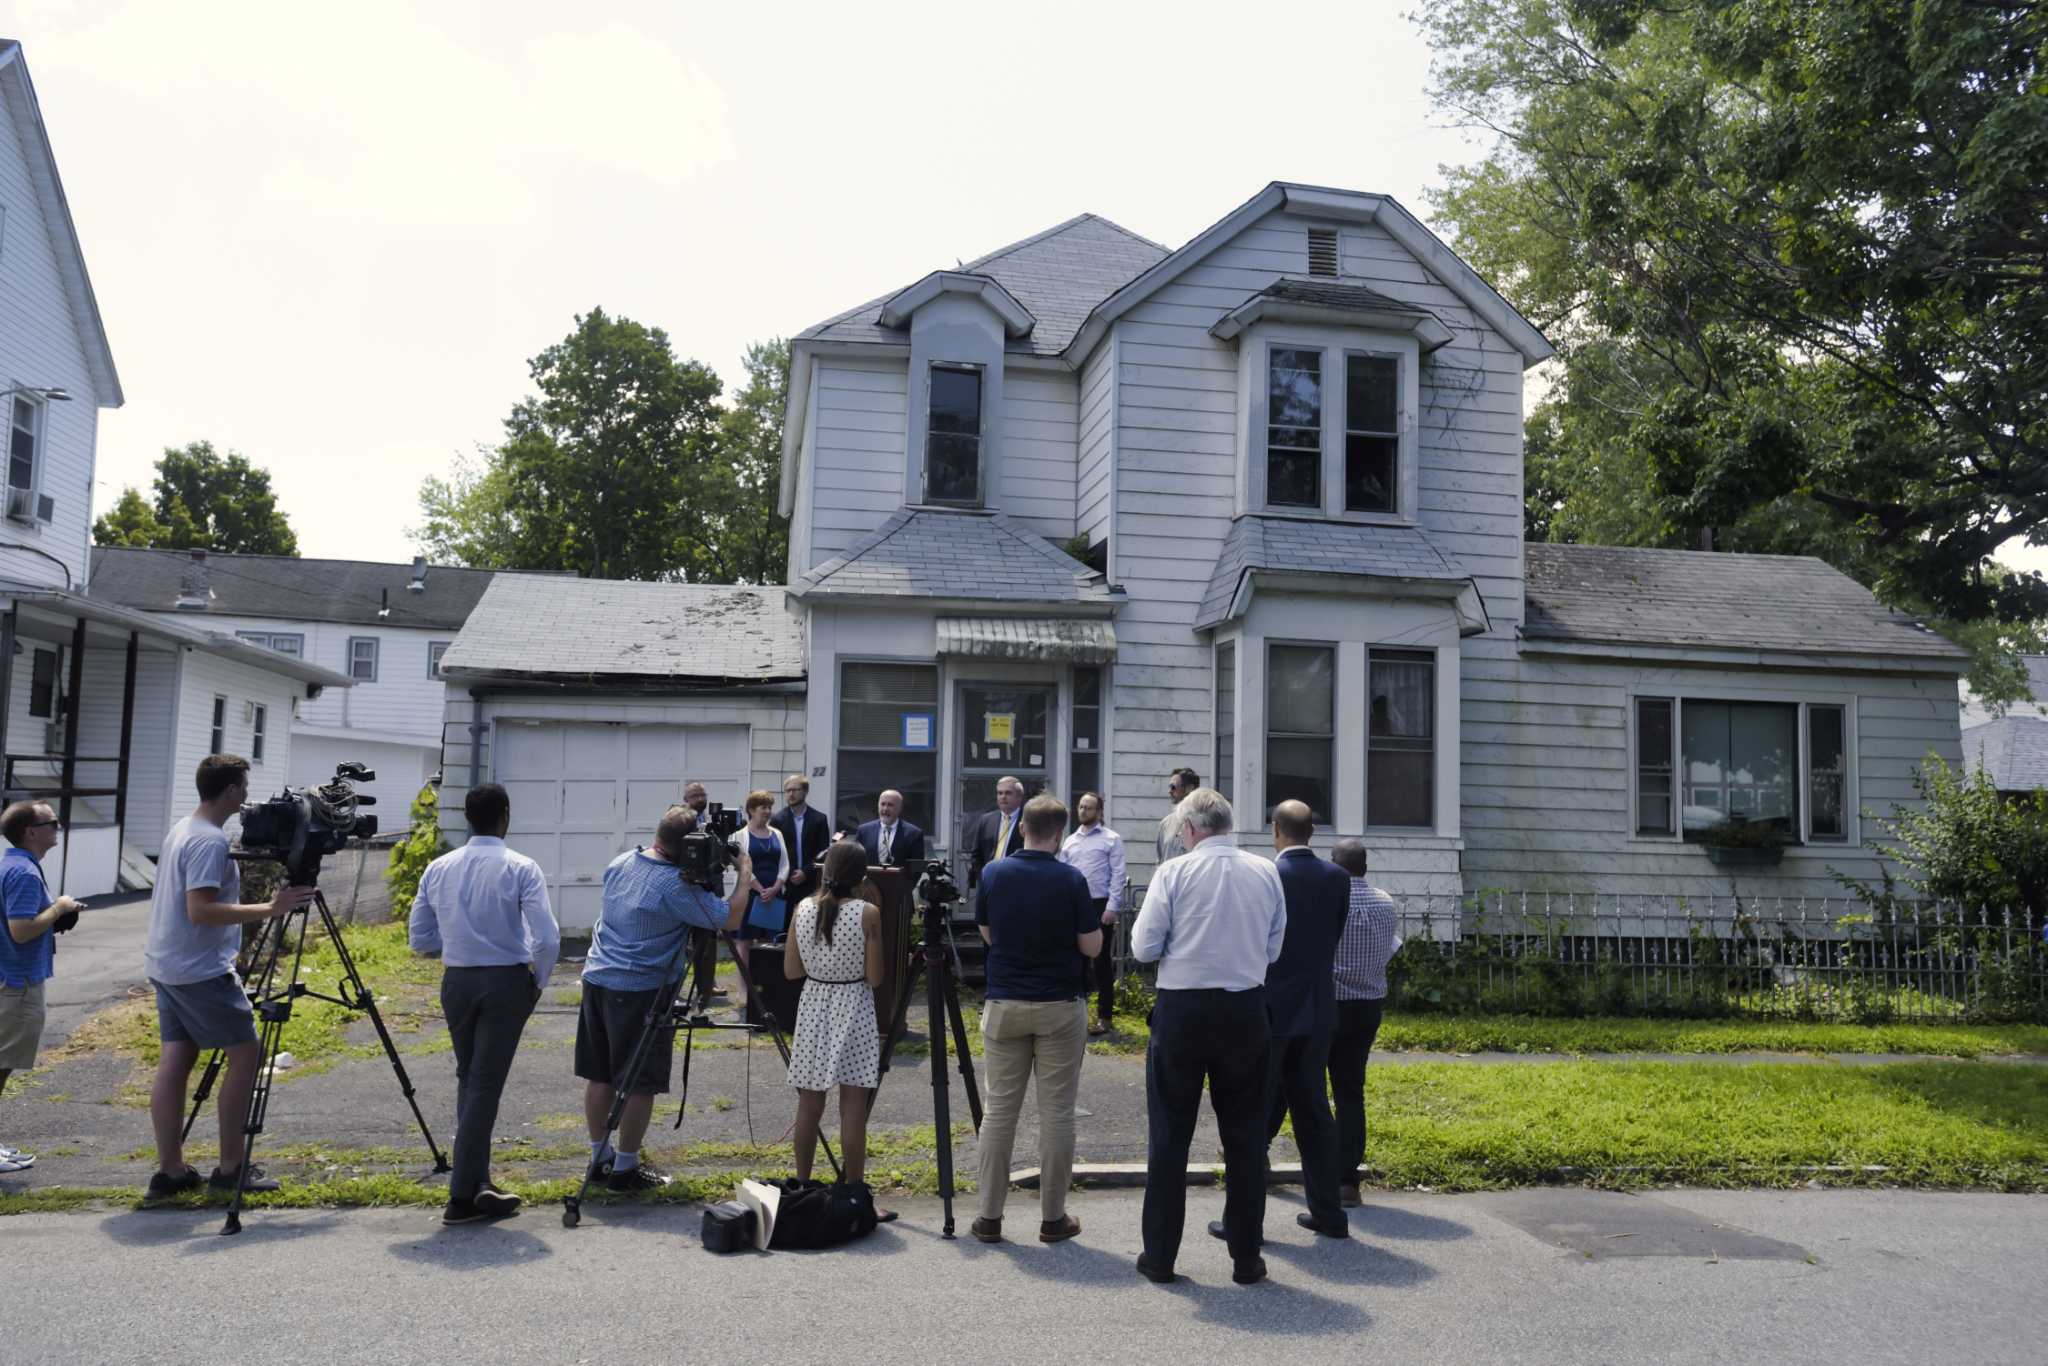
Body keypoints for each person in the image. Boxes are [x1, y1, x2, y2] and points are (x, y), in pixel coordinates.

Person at [143, 754, 316, 1205]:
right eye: (244, 786)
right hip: (199, 969)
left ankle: (171, 1171)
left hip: (168, 964)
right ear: (232, 790)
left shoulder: (184, 828)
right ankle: (231, 1168)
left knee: (177, 1061)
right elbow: (199, 910)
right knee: (246, 1054)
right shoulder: (209, 842)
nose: (247, 795)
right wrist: (271, 909)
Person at [1129, 788, 1284, 1286]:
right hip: (1244, 1007)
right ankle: (1246, 1256)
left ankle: (1160, 1256)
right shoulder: (1266, 871)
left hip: (1183, 1009)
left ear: (1189, 829)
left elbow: (1144, 946)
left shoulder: (1173, 872)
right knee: (1244, 1136)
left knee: (1169, 1136)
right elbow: (1274, 947)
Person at [577, 805, 751, 1193]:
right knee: (640, 1082)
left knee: (600, 1074)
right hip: (640, 990)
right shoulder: (675, 886)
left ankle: (599, 1158)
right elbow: (729, 918)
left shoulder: (622, 860)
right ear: (693, 847)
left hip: (598, 978)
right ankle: (625, 1169)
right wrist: (745, 873)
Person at [408, 783, 560, 1225]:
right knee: (485, 1084)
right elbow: (547, 937)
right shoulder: (520, 867)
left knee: (470, 1078)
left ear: (466, 816)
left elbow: (420, 938)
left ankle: (478, 1182)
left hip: (457, 979)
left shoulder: (438, 868)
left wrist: (458, 943)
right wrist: (538, 982)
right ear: (505, 815)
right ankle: (460, 1195)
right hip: (505, 979)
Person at [968, 794, 1100, 1244]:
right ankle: (1052, 1217)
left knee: (999, 1112)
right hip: (1060, 1004)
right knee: (1057, 1113)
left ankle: (989, 1216)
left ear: (1022, 827)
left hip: (1004, 1001)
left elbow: (986, 932)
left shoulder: (993, 873)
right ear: (1060, 834)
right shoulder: (1071, 879)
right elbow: (1092, 947)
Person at [1219, 800, 1349, 1245]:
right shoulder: (1337, 877)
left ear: (1276, 829)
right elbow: (1333, 934)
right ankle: (1329, 1213)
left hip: (1271, 1007)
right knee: (1314, 1111)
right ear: (1311, 831)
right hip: (1318, 1006)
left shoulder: (1267, 875)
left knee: (1254, 1114)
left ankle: (1244, 1223)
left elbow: (1259, 937)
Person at [782, 840, 888, 1206]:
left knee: (809, 1103)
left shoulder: (803, 907)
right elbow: (875, 978)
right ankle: (854, 1189)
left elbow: (791, 970)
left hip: (814, 1004)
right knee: (852, 1106)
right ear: (862, 874)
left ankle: (801, 1184)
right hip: (853, 1004)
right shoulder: (868, 912)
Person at [1, 801, 84, 1173]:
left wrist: (53, 918)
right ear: (29, 832)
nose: (58, 827)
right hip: (16, 984)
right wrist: (60, 907)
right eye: (52, 822)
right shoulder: (23, 873)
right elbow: (20, 931)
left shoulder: (13, 865)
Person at [1328, 838, 1396, 1209]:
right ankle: (1347, 1181)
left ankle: (1262, 1152)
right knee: (1350, 1091)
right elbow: (1389, 950)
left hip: (1330, 1004)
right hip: (1368, 1005)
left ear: (1334, 867)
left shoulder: (1329, 901)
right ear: (1364, 867)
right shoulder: (1386, 903)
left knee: (1301, 1084)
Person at [1058, 791, 1126, 1035]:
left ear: (1099, 812)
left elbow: (1118, 875)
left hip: (1099, 905)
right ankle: (1075, 1015)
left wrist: (1112, 907)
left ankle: (1105, 1017)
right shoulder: (1070, 840)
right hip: (1074, 905)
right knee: (1075, 960)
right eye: (1081, 807)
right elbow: (1063, 873)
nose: (1083, 811)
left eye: (1088, 807)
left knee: (1101, 962)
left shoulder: (1111, 839)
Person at [726, 791, 792, 1005]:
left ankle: (766, 988)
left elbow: (785, 863)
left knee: (767, 944)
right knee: (744, 942)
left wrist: (775, 887)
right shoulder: (739, 835)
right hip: (749, 894)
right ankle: (744, 989)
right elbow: (739, 864)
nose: (767, 811)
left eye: (769, 807)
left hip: (773, 895)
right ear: (751, 810)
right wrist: (758, 887)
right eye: (763, 807)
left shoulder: (777, 834)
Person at [681, 781, 725, 1013]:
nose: (700, 799)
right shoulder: (679, 820)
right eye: (694, 795)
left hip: (709, 889)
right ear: (685, 799)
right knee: (679, 942)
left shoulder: (712, 823)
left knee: (707, 944)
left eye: (702, 794)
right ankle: (673, 989)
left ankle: (706, 989)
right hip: (685, 890)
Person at [771, 775, 830, 907]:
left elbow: (823, 851)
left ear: (805, 791)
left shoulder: (819, 819)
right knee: (786, 925)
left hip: (812, 882)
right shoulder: (777, 820)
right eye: (788, 790)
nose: (791, 794)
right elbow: (777, 852)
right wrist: (791, 872)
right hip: (786, 883)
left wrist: (805, 872)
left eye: (795, 790)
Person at [967, 776, 1026, 886]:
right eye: (1000, 793)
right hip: (989, 882)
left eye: (1008, 793)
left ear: (1019, 797)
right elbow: (976, 854)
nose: (1003, 797)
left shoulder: (1028, 820)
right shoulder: (986, 820)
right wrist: (983, 877)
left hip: (1017, 882)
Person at [853, 789, 926, 868]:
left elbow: (916, 868)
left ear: (900, 808)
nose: (885, 809)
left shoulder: (914, 834)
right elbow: (855, 860)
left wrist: (903, 880)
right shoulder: (864, 831)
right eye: (882, 804)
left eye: (890, 805)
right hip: (868, 879)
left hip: (900, 880)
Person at [1154, 768, 1201, 864]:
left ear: (1189, 788)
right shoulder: (1166, 824)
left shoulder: (1204, 822)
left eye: (1173, 787)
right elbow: (1160, 860)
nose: (1169, 791)